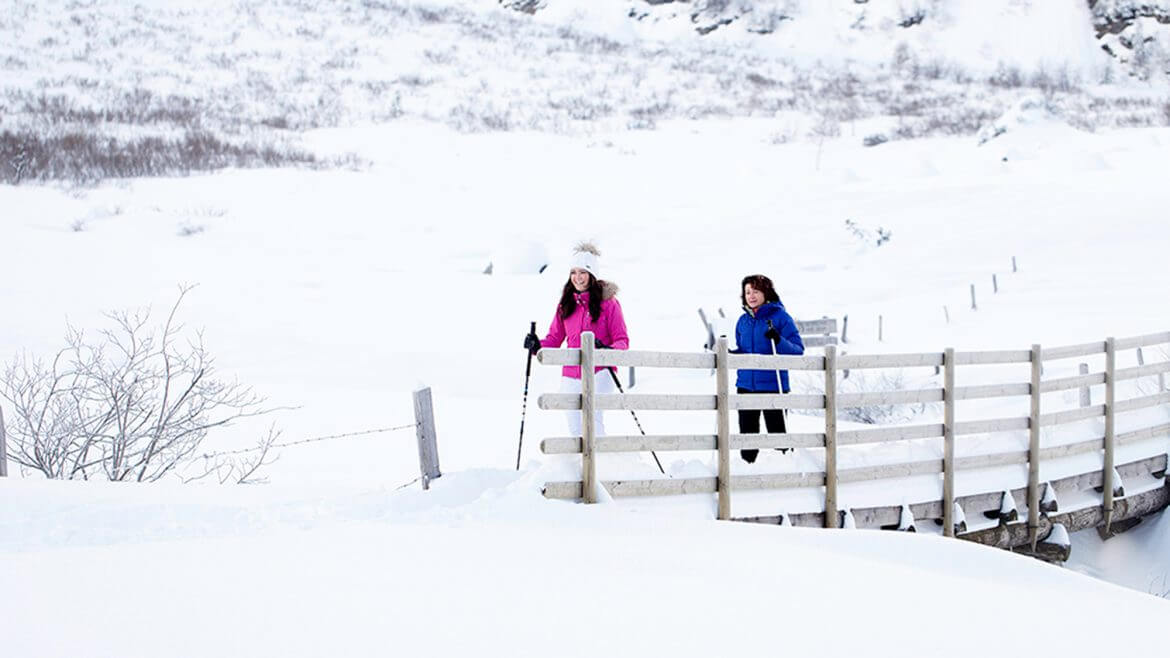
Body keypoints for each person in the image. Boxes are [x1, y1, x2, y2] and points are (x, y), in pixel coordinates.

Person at [524, 243, 629, 437]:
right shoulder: (566, 304)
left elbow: (622, 340)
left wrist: (607, 350)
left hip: (600, 371)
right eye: (573, 272)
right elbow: (555, 339)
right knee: (574, 428)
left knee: (593, 425)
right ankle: (578, 466)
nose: (577, 277)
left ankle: (599, 465)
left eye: (583, 272)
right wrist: (536, 345)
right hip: (571, 373)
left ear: (592, 274)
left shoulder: (609, 304)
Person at [732, 274, 804, 463]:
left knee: (778, 436)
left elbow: (798, 350)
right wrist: (731, 355)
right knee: (747, 437)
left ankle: (784, 470)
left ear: (766, 292)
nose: (751, 295)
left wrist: (778, 340)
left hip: (774, 386)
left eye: (756, 291)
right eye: (747, 292)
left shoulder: (780, 317)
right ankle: (747, 470)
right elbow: (743, 350)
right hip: (746, 386)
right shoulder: (742, 321)